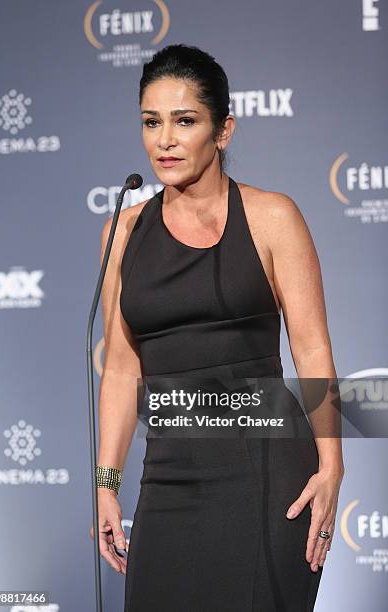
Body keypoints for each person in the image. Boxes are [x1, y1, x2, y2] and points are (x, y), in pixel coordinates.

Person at [91, 44, 345, 611]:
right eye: (151, 122)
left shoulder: (272, 216)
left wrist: (332, 465)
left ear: (223, 130)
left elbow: (312, 349)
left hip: (267, 475)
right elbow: (121, 370)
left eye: (186, 121)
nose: (165, 139)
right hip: (170, 477)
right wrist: (106, 487)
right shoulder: (121, 233)